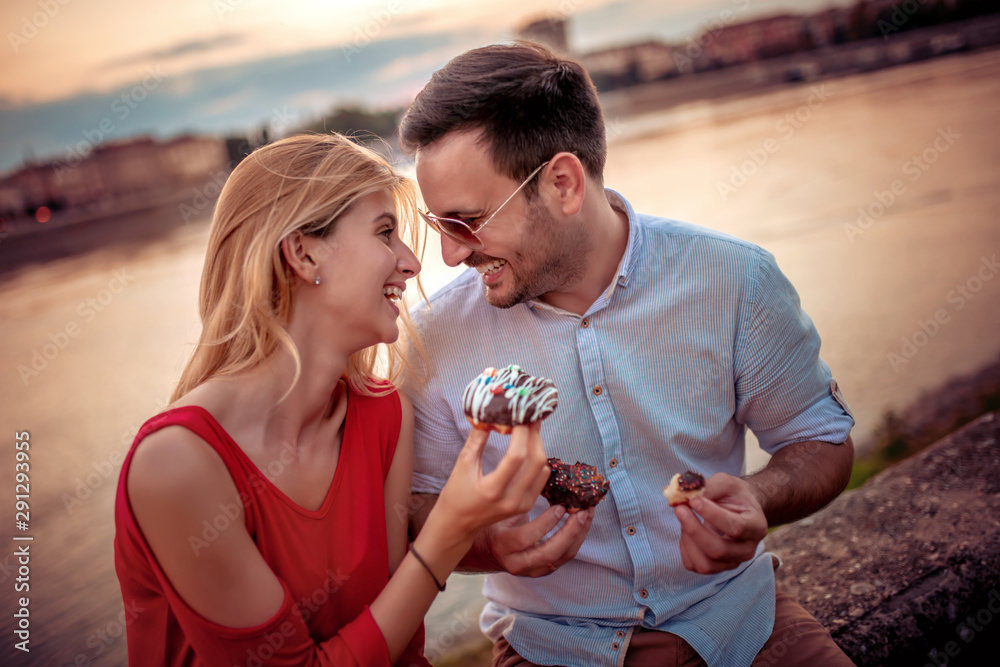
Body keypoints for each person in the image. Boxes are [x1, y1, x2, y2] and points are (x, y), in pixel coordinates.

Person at [397, 42, 858, 667]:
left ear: (562, 183)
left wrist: (762, 495)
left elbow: (820, 438)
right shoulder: (431, 338)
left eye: (467, 222)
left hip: (743, 622)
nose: (450, 255)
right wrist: (491, 546)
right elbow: (416, 511)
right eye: (437, 225)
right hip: (547, 648)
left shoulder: (737, 280)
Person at [113, 133, 551, 666]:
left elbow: (399, 648)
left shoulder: (386, 414)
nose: (412, 263)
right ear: (302, 252)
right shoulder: (177, 465)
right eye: (385, 233)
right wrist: (448, 532)